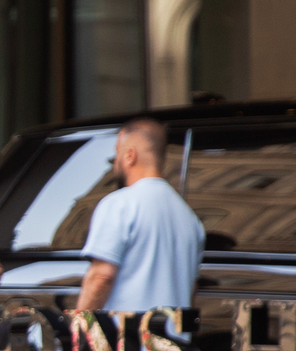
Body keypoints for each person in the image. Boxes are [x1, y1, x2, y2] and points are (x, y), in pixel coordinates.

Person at [77, 115, 204, 314]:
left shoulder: (119, 204)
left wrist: (80, 330)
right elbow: (191, 290)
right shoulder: (190, 218)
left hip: (128, 342)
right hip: (173, 342)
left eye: (116, 154)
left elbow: (101, 277)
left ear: (130, 156)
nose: (114, 163)